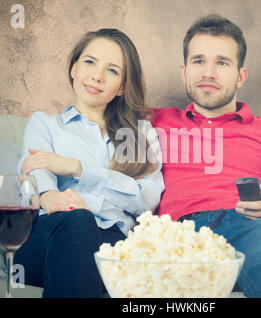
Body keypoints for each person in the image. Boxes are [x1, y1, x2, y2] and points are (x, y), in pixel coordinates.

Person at [152, 14, 261, 298]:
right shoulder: (154, 121)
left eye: (222, 62)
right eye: (198, 61)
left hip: (254, 227)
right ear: (184, 72)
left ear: (240, 76)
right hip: (176, 233)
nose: (208, 72)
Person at [14, 29, 164, 298]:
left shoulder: (141, 135)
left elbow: (144, 201)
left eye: (112, 70)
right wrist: (49, 197)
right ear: (74, 68)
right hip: (46, 240)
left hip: (113, 247)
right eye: (90, 62)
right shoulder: (45, 124)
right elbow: (38, 177)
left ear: (121, 87)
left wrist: (76, 168)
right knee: (78, 219)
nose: (97, 75)